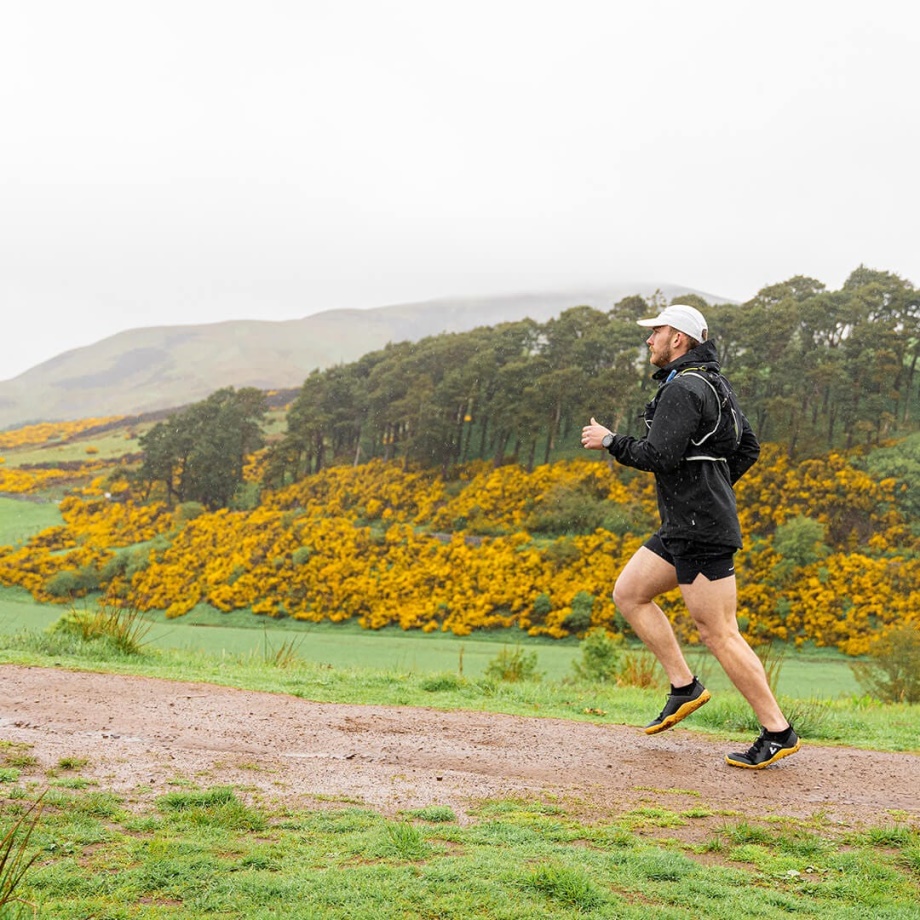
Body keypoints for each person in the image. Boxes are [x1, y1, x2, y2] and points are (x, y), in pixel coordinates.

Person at [580, 303, 800, 769]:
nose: (649, 340)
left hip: (700, 529)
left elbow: (658, 455)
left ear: (678, 338)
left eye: (655, 332)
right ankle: (684, 686)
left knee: (718, 633)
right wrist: (710, 489)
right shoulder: (712, 383)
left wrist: (610, 441)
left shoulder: (684, 388)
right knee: (630, 593)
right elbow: (749, 447)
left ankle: (778, 732)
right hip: (687, 524)